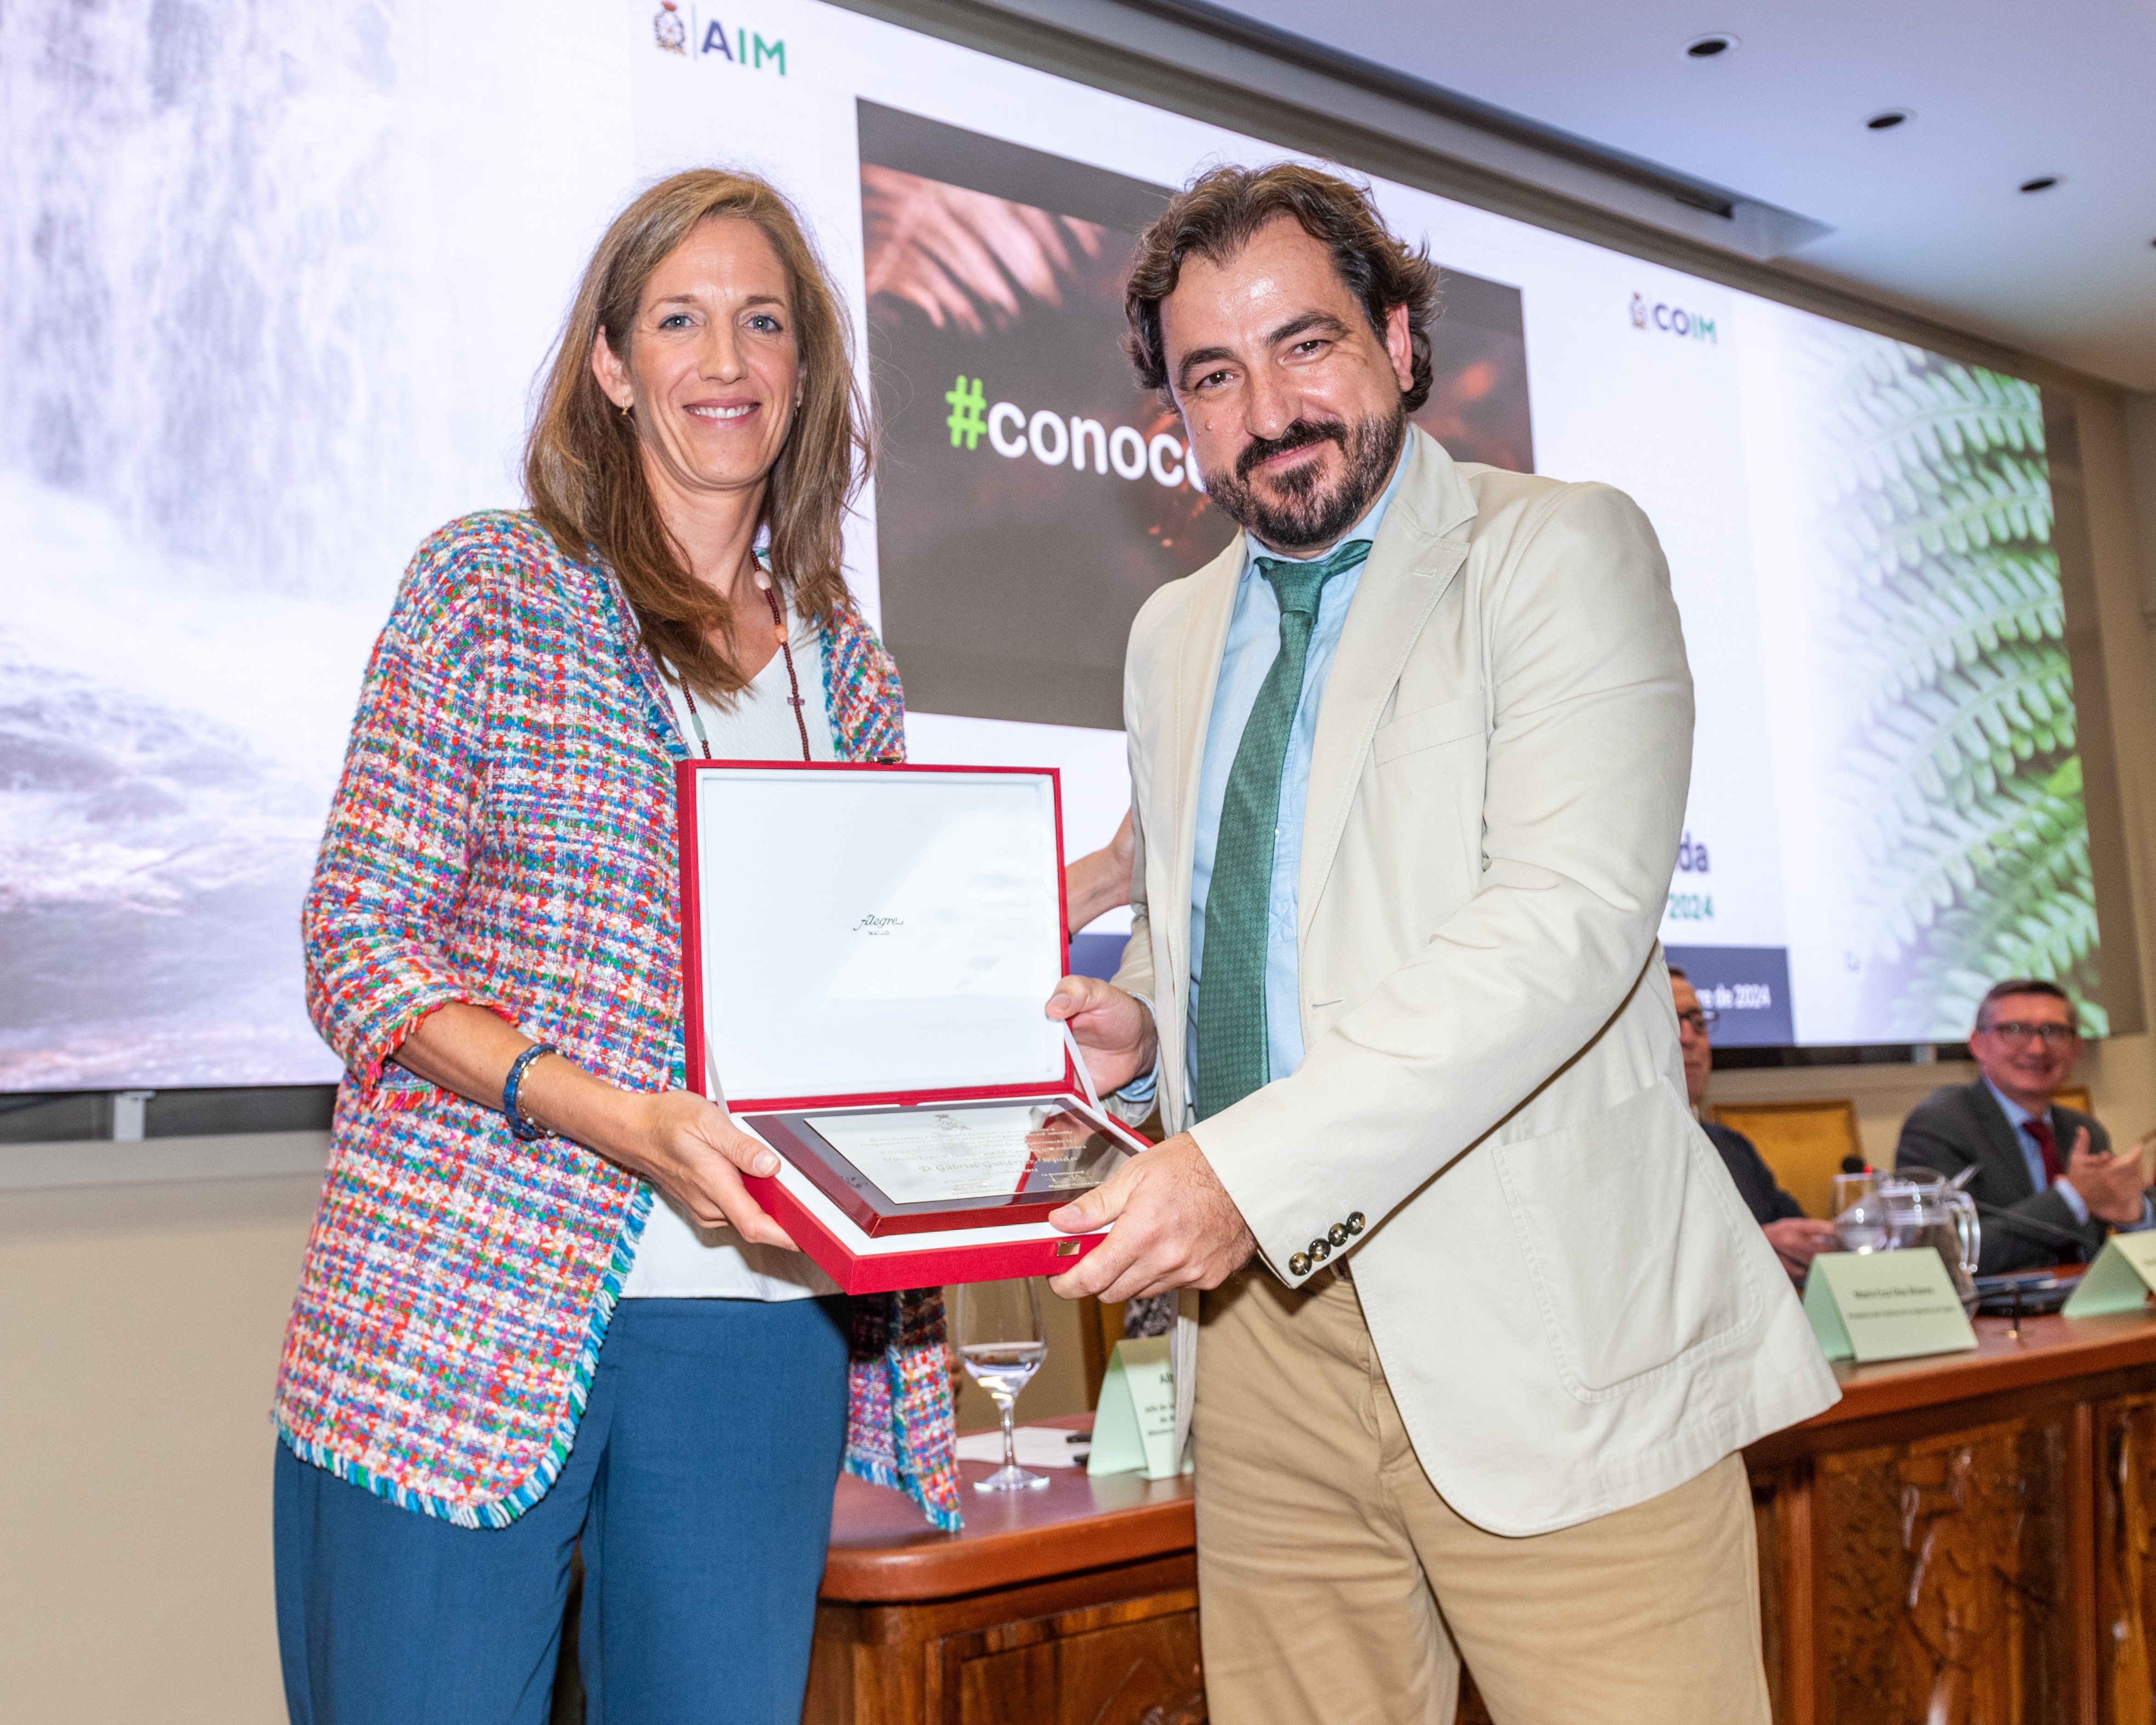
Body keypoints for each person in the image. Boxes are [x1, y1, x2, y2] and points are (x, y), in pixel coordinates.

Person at [1041, 163, 1835, 1725]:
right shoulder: (1166, 634)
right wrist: (1135, 1027)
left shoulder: (1559, 553)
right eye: (1213, 374)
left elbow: (1558, 929)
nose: (1267, 408)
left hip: (1540, 1322)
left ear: (1399, 340)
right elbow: (1237, 924)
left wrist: (1236, 1173)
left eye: (1304, 345)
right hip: (1257, 1346)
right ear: (1174, 417)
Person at [272, 169, 956, 1725]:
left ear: (802, 371)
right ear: (611, 363)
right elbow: (357, 944)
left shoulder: (850, 678)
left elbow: (870, 986)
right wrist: (614, 1118)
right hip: (462, 1308)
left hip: (754, 1333)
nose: (725, 359)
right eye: (680, 318)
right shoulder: (487, 592)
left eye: (762, 322)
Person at [1895, 978, 2150, 1273]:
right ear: (1978, 1043)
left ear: (2077, 1047)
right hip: (1992, 1315)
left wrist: (2135, 1215)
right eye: (2014, 1030)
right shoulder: (1939, 1125)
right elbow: (1945, 1253)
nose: (2037, 1049)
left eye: (2053, 1032)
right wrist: (2072, 1200)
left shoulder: (2083, 1130)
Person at [1671, 967, 1839, 1281]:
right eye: (1669, 1021)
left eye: (1698, 1023)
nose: (1689, 1038)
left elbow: (1801, 1239)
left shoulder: (1733, 1147)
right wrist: (1753, 1250)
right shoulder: (1619, 1157)